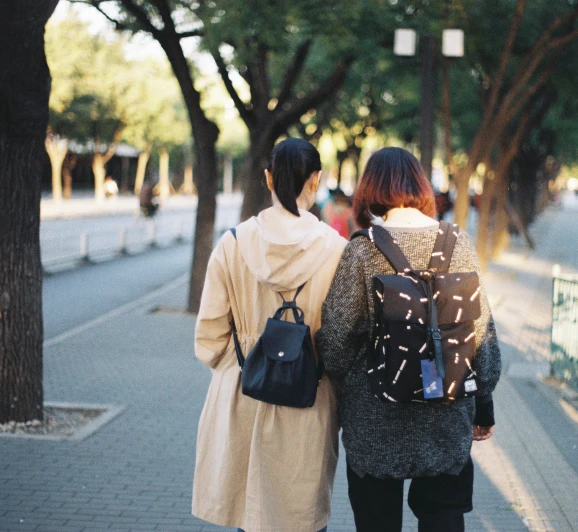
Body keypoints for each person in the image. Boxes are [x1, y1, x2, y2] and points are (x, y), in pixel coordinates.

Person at [316, 147, 501, 532]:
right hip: (446, 415)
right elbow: (482, 343)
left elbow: (334, 346)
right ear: (420, 186)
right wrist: (483, 407)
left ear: (370, 189)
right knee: (444, 517)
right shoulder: (459, 244)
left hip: (375, 421)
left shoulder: (363, 250)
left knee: (377, 523)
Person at [192, 138, 346, 532]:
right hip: (307, 401)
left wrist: (246, 359)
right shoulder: (338, 250)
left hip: (243, 390)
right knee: (300, 515)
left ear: (268, 179)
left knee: (249, 514)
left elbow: (209, 338)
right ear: (316, 180)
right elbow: (343, 340)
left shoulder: (231, 244)